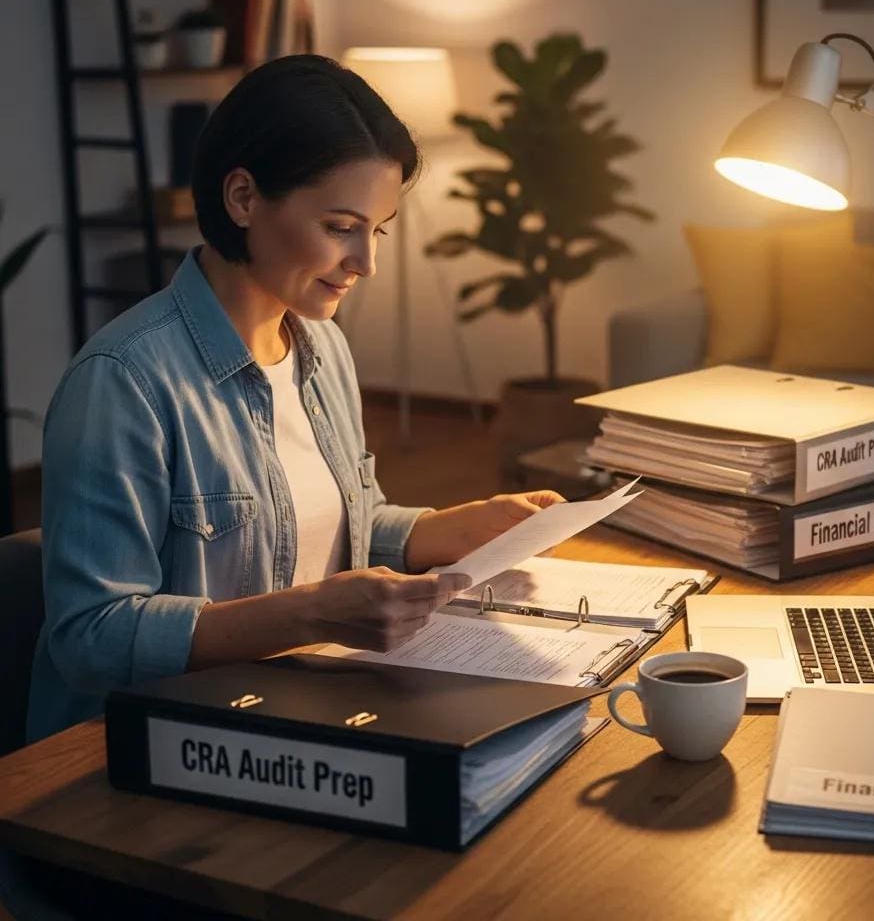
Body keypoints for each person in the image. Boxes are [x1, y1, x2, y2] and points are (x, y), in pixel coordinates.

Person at [26, 54, 563, 742]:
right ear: (243, 198)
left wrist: (451, 529)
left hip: (287, 716)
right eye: (341, 226)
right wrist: (307, 615)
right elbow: (90, 637)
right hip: (142, 753)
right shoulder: (123, 381)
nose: (365, 262)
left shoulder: (321, 345)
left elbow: (342, 527)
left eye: (378, 230)